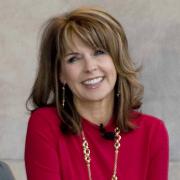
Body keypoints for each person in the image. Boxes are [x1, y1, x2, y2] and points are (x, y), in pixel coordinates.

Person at [25, 6, 169, 180]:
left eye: (99, 52)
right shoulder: (45, 124)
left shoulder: (153, 132)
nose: (90, 67)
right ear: (60, 74)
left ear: (117, 60)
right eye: (74, 58)